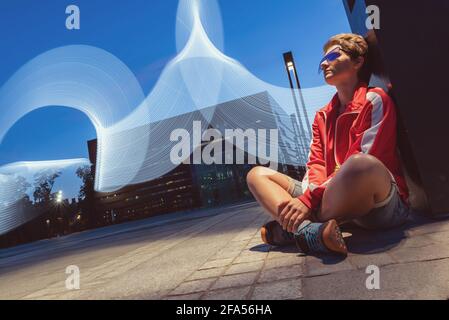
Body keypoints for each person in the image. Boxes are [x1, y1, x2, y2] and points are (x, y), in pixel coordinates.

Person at [246, 33, 410, 256]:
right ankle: (311, 230)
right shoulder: (322, 115)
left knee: (361, 164)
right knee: (257, 174)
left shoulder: (375, 100)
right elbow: (315, 162)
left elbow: (369, 155)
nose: (323, 63)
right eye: (322, 59)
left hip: (378, 205)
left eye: (333, 55)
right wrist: (308, 197)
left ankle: (298, 227)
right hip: (328, 197)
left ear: (357, 61)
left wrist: (307, 202)